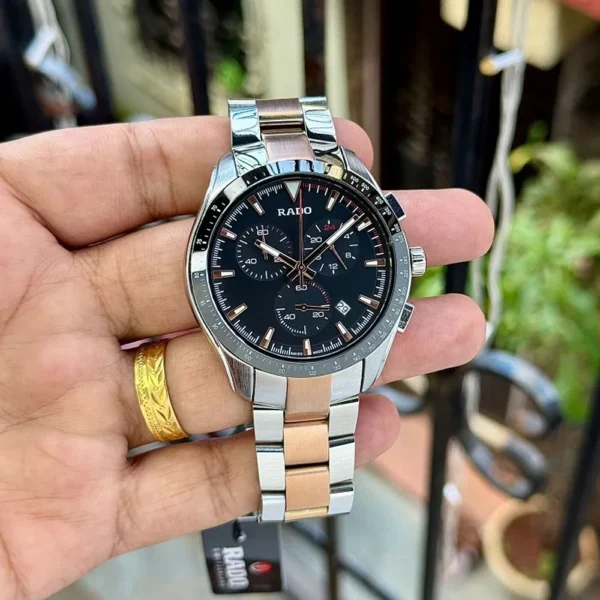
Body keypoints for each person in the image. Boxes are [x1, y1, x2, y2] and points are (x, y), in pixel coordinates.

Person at [0, 117, 493, 600]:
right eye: (282, 260)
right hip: (268, 349)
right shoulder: (224, 260)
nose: (301, 273)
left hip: (323, 345)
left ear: (406, 265)